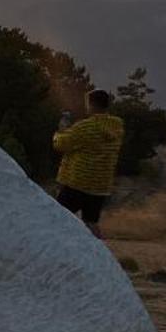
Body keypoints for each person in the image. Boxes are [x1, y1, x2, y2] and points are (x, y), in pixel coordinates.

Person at [52, 88, 126, 233]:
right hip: (101, 186)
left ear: (91, 105)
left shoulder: (86, 127)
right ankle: (98, 254)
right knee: (91, 222)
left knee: (56, 216)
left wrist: (61, 130)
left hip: (78, 183)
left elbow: (61, 144)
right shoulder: (117, 127)